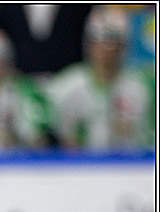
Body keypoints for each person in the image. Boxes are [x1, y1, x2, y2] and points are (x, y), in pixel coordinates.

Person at [45, 6, 153, 150]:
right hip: (78, 161)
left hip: (131, 161)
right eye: (100, 41)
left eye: (113, 42)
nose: (105, 50)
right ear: (89, 44)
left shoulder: (140, 86)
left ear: (123, 46)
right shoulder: (66, 85)